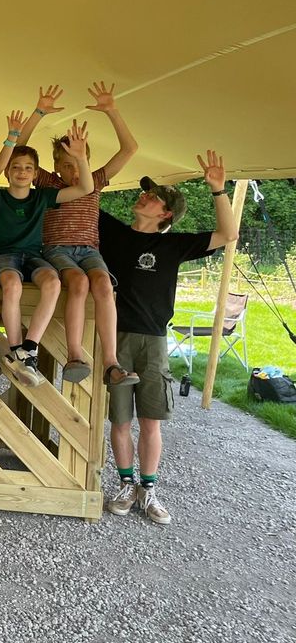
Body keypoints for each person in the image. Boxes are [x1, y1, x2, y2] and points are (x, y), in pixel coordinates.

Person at [98, 151, 237, 524]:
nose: (144, 196)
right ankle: (125, 485)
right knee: (120, 421)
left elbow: (228, 234)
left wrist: (218, 190)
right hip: (115, 340)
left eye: (154, 196)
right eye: (146, 192)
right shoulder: (112, 232)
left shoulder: (174, 246)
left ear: (166, 214)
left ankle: (148, 489)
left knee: (151, 421)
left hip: (155, 341)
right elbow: (82, 194)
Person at [15, 81, 140, 387]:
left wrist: (112, 110)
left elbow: (130, 149)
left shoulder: (95, 180)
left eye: (79, 163)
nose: (74, 172)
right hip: (57, 249)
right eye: (67, 165)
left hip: (89, 250)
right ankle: (74, 356)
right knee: (80, 283)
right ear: (56, 166)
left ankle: (111, 362)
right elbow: (19, 152)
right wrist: (38, 113)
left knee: (104, 284)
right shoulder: (49, 184)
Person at [0, 115, 94, 387]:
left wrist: (81, 158)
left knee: (53, 282)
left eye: (28, 168)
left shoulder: (42, 196)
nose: (22, 171)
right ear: (7, 172)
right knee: (12, 284)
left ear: (36, 174)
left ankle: (28, 348)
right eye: (16, 167)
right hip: (3, 255)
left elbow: (86, 188)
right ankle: (17, 349)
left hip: (33, 255)